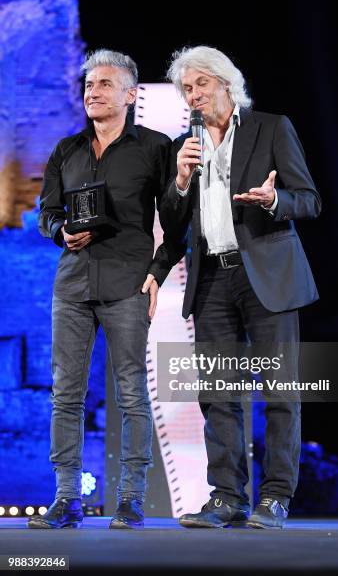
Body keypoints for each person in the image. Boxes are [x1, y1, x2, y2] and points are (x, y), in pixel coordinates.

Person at [161, 46, 321, 529]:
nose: (194, 96)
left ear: (226, 84)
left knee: (278, 390)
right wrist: (182, 180)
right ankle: (227, 497)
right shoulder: (181, 145)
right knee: (218, 393)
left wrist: (275, 199)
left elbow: (309, 200)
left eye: (201, 85)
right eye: (187, 89)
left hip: (266, 276)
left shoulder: (271, 128)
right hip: (210, 277)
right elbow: (171, 222)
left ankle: (275, 497)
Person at [28, 49, 181, 530]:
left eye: (104, 84)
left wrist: (157, 270)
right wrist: (59, 233)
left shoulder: (157, 148)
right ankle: (66, 499)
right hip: (72, 285)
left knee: (132, 392)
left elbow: (177, 222)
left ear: (131, 95)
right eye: (89, 84)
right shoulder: (66, 150)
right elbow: (46, 213)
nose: (92, 92)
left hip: (126, 284)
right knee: (66, 395)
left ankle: (131, 498)